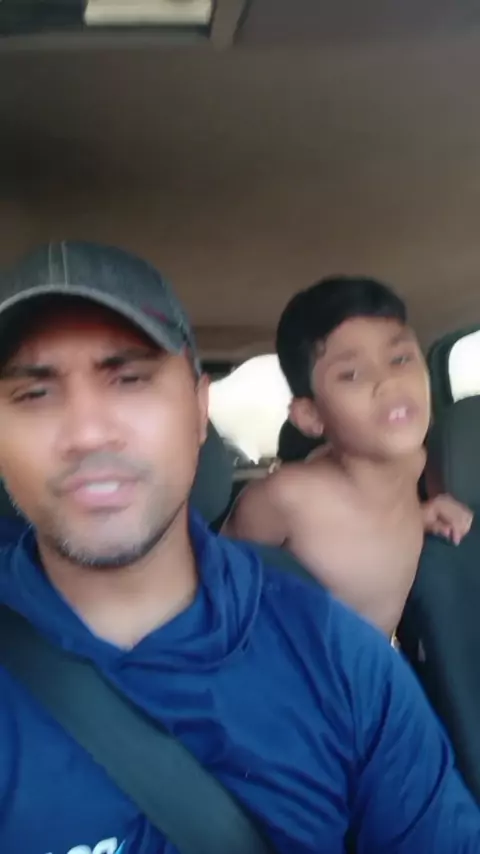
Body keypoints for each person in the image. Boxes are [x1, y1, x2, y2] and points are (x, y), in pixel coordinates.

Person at [0, 244, 479, 854]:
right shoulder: (289, 512)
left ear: (200, 409)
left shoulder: (343, 665)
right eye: (34, 394)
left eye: (130, 378)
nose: (88, 432)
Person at [224, 277, 473, 637]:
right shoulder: (285, 498)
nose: (388, 382)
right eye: (351, 374)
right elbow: (217, 588)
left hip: (378, 663)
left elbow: (365, 531)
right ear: (311, 416)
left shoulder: (413, 465)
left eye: (400, 359)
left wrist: (420, 517)